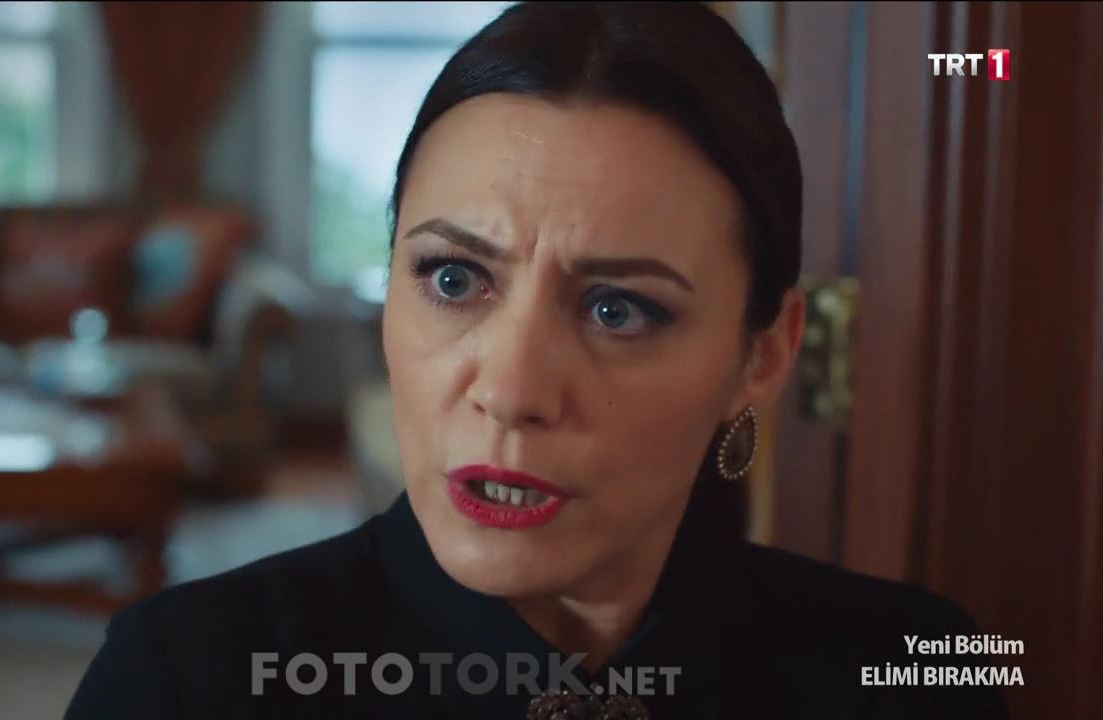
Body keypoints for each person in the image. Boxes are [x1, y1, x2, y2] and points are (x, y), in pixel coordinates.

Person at [65, 3, 1010, 718]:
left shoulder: (917, 668)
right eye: (452, 279)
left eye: (617, 309)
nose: (511, 391)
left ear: (761, 355)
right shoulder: (184, 678)